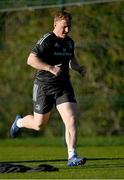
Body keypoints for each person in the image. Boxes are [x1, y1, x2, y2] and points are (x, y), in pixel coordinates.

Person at [10, 10, 86, 166]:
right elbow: (31, 60)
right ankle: (19, 122)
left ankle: (72, 155)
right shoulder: (47, 40)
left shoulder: (70, 42)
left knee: (71, 119)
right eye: (64, 26)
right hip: (44, 86)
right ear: (55, 24)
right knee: (39, 125)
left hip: (63, 85)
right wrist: (50, 68)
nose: (67, 30)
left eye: (69, 27)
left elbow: (72, 61)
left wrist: (79, 68)